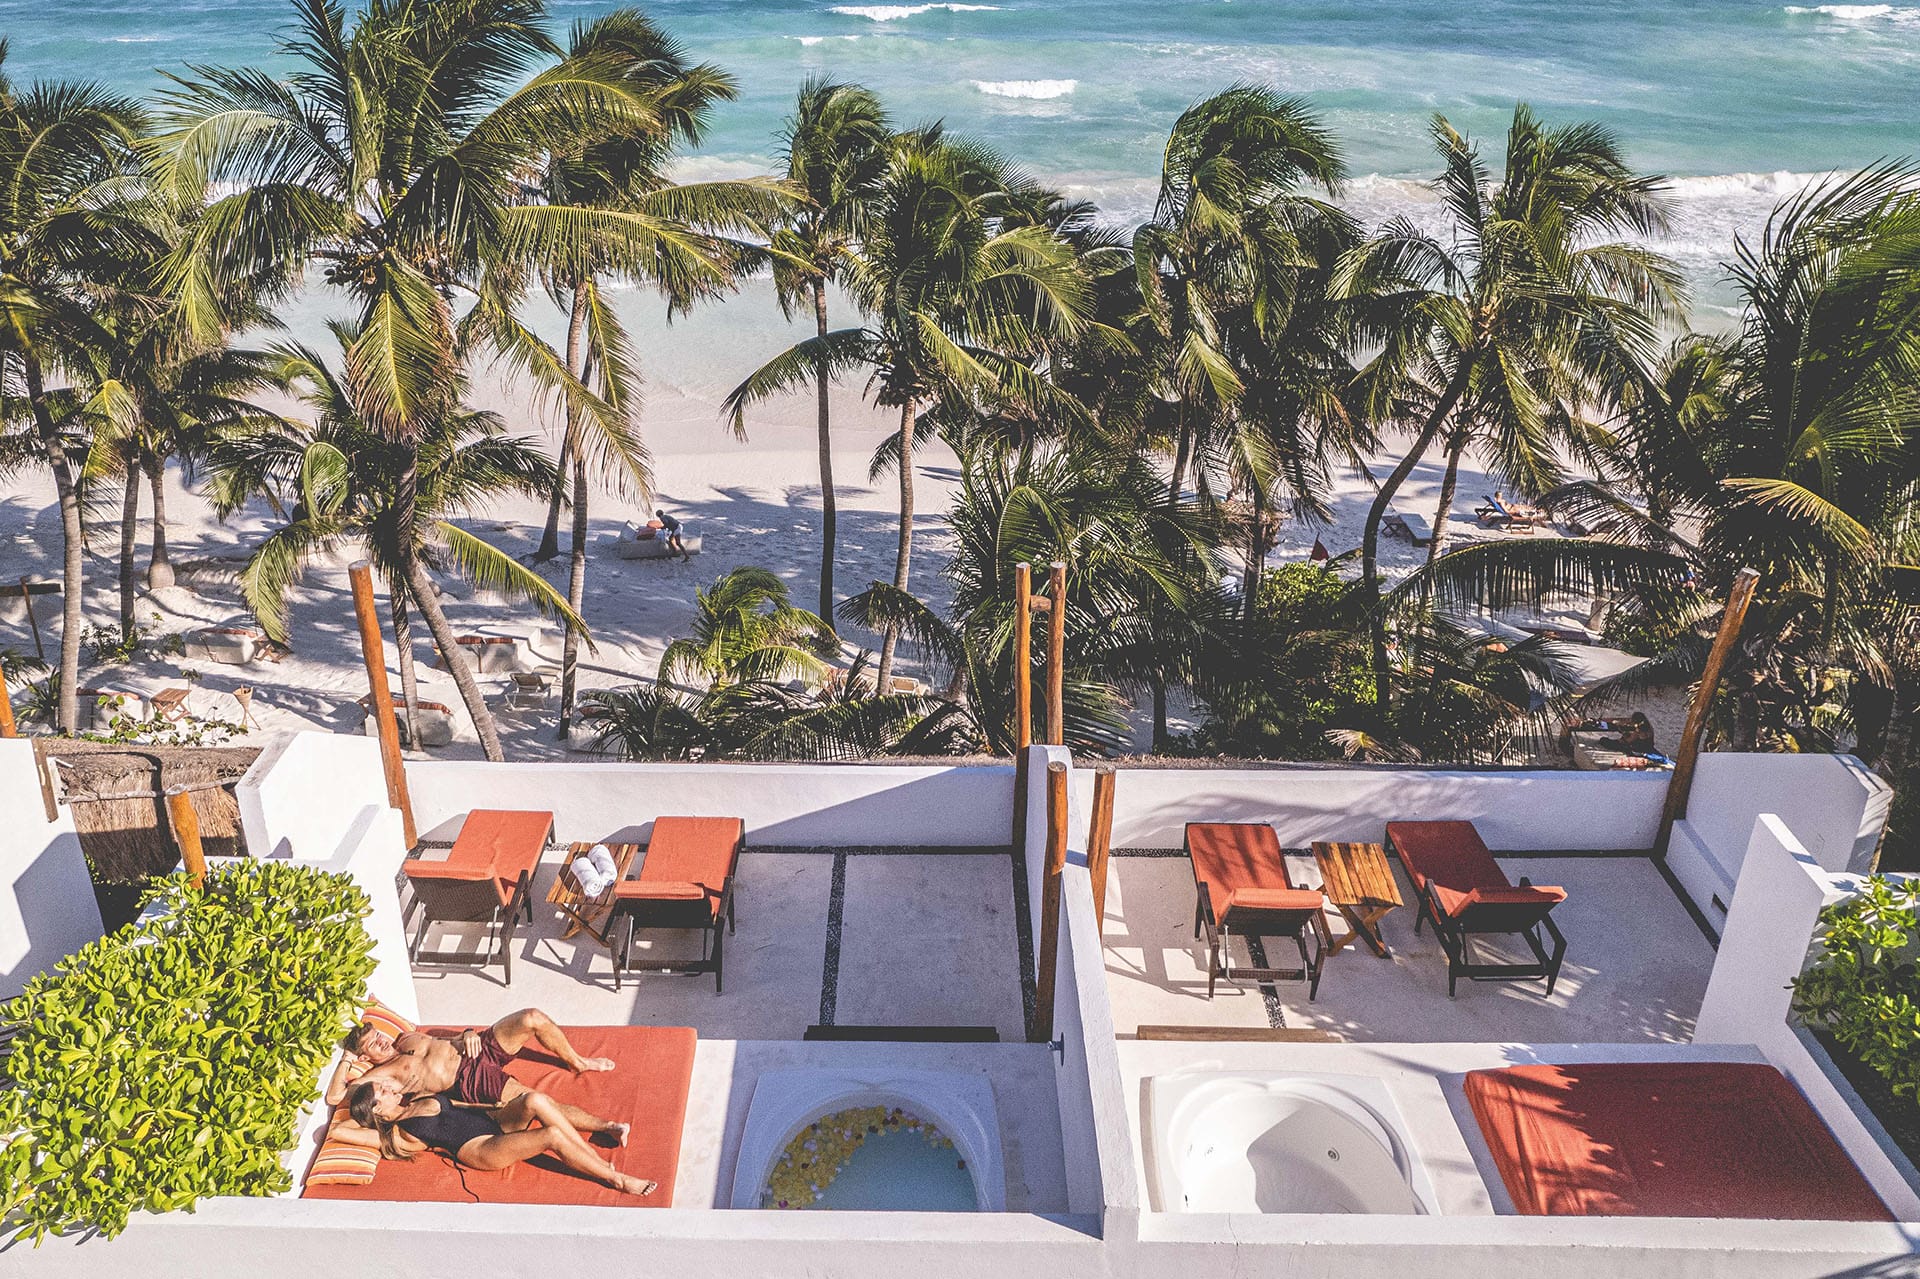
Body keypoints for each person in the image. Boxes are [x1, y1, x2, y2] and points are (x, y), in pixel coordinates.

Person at [327, 1007, 624, 1144]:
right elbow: (335, 1096)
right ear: (365, 1057)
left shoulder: (406, 1037)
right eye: (372, 1045)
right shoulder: (383, 1077)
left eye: (378, 1034)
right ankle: (606, 1126)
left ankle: (578, 1061)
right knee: (538, 1101)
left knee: (532, 1017)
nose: (381, 1041)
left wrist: (467, 1033)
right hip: (469, 1079)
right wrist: (347, 1059)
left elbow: (447, 1042)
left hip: (478, 1046)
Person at [343, 1075, 655, 1197]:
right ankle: (615, 1179)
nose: (385, 1087)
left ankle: (596, 1160)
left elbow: (459, 1106)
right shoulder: (399, 1135)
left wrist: (500, 1108)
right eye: (380, 1092)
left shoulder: (416, 1099)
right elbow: (342, 1129)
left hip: (489, 1120)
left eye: (382, 1085)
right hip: (481, 1148)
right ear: (378, 1111)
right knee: (551, 1136)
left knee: (534, 1099)